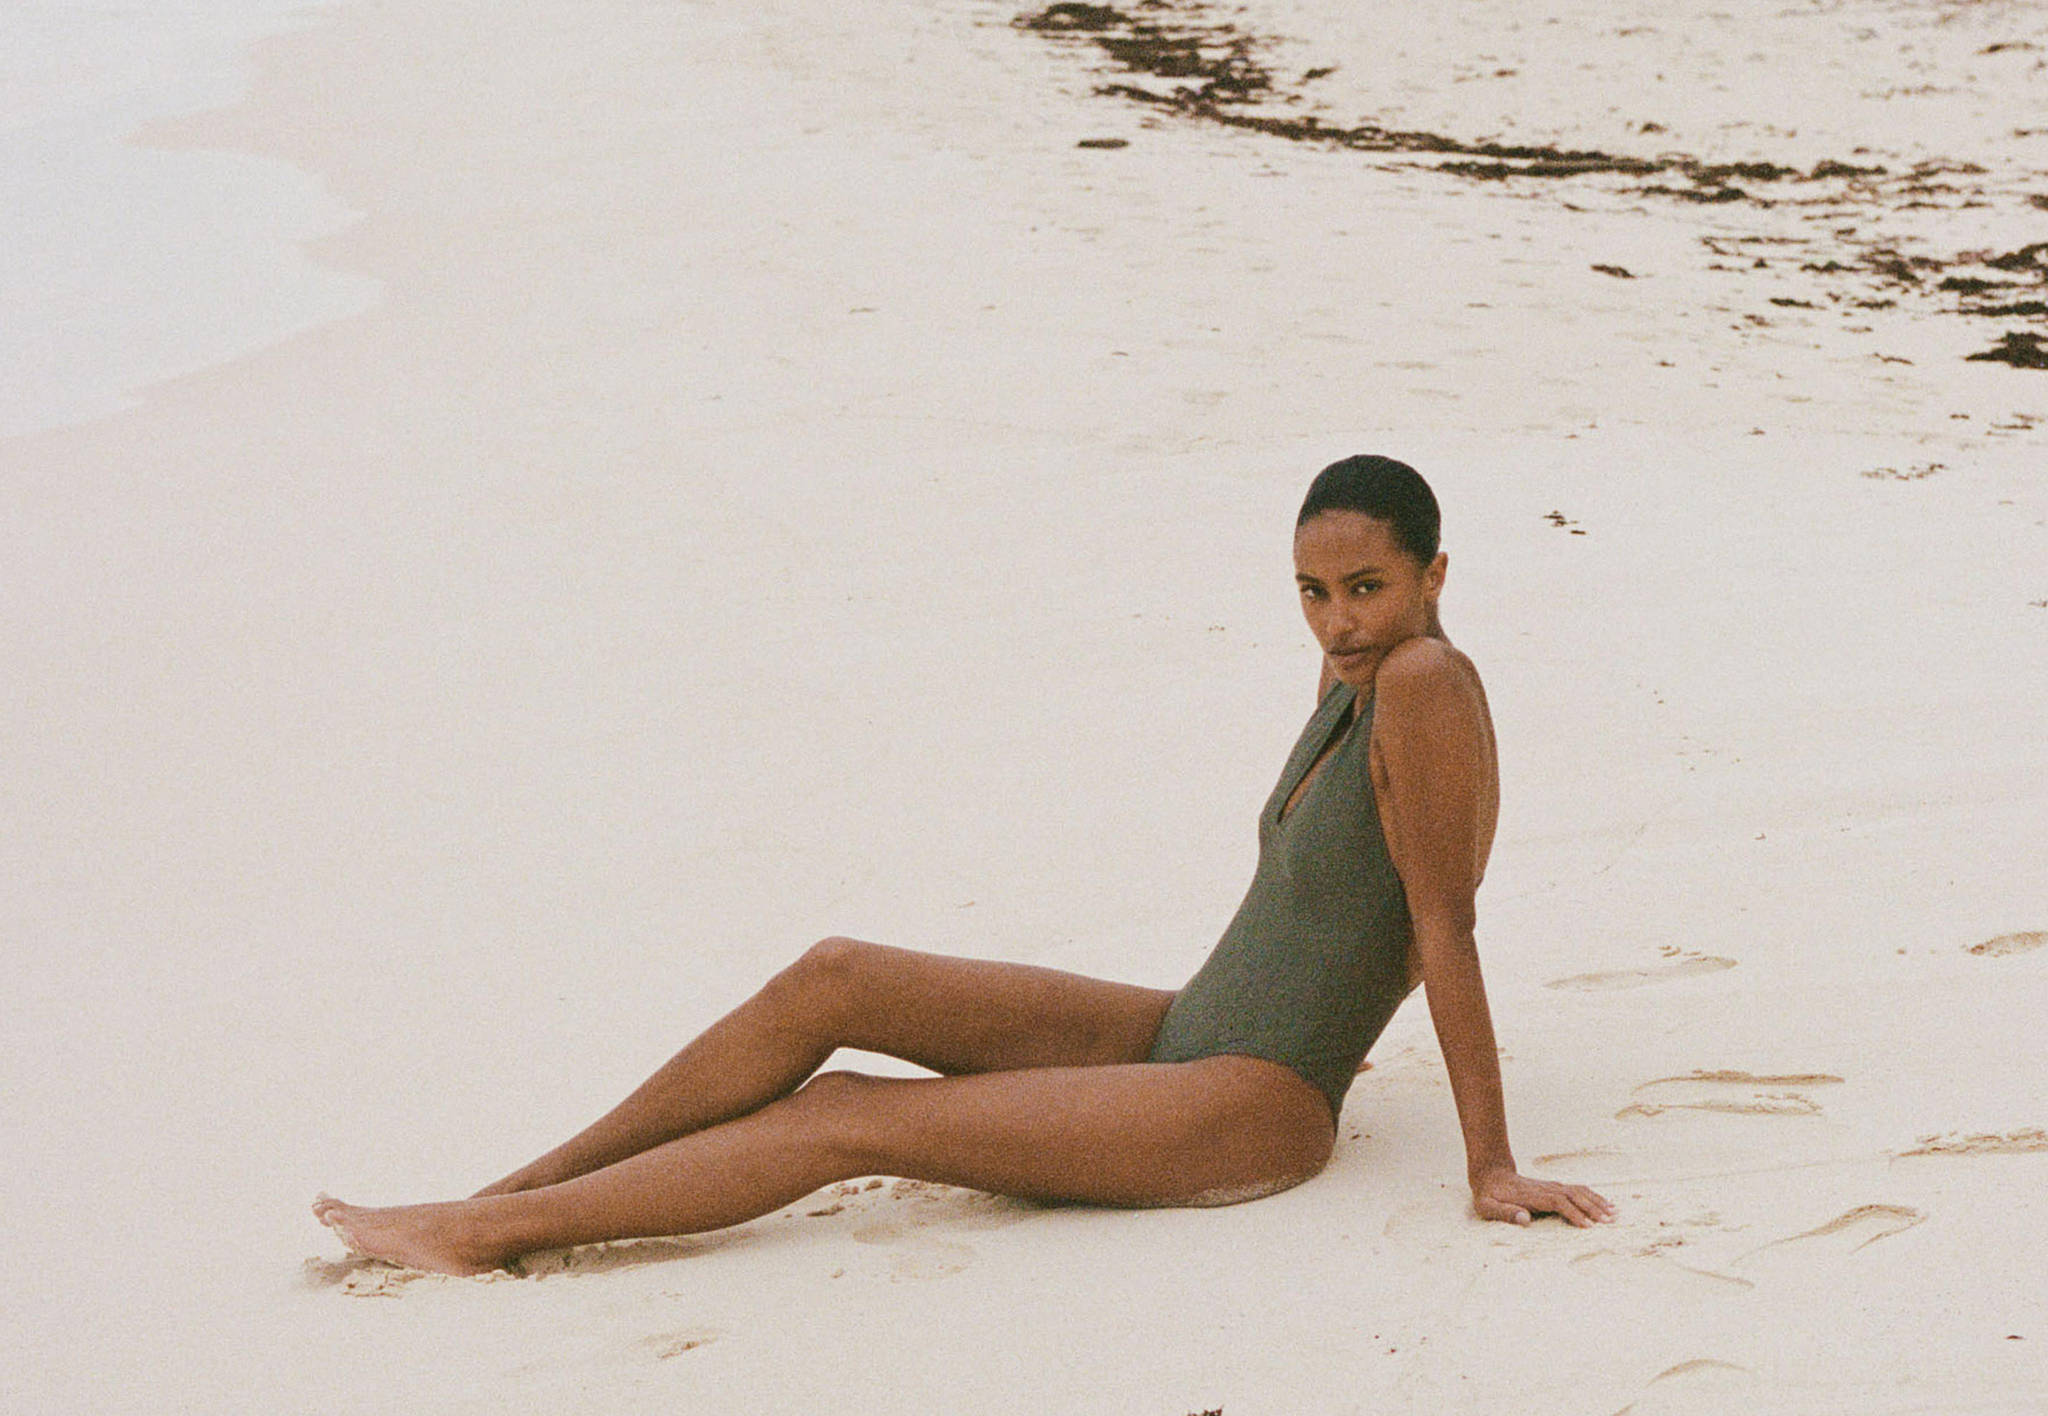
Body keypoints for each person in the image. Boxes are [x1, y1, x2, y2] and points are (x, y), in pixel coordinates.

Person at [315, 455, 1613, 1273]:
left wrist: (1490, 1164)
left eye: (1368, 586)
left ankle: (486, 1234)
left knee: (842, 1116)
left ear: (1436, 573)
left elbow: (1444, 923)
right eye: (1312, 590)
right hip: (1185, 1034)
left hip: (1251, 1103)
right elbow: (1347, 906)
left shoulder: (1429, 681)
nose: (1338, 619)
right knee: (834, 977)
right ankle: (533, 1179)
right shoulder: (1368, 677)